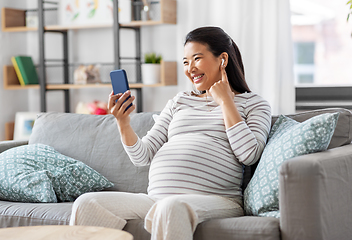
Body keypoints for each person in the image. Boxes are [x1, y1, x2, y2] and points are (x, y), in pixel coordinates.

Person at [69, 26, 272, 240]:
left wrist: (226, 101)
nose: (190, 68)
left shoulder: (254, 104)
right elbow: (142, 156)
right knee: (87, 203)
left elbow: (249, 154)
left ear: (222, 59)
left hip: (218, 199)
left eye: (197, 59)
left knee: (170, 207)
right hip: (158, 198)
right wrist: (123, 122)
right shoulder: (180, 100)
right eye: (186, 62)